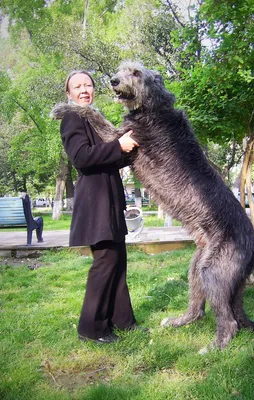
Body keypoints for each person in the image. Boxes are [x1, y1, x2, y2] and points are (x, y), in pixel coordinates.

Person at [55, 70, 140, 344]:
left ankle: (124, 323)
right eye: (77, 87)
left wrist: (130, 149)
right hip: (95, 206)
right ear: (69, 94)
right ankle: (91, 329)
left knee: (118, 263)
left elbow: (109, 159)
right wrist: (119, 145)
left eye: (88, 85)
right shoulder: (72, 118)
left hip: (110, 203)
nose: (83, 90)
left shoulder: (95, 121)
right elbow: (81, 158)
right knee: (104, 264)